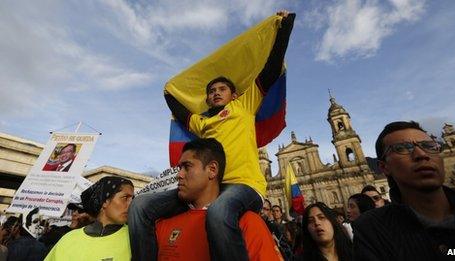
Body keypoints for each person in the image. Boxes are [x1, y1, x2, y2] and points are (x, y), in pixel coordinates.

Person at [129, 10, 295, 261]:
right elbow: (181, 113)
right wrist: (168, 93)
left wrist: (284, 27)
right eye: (211, 91)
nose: (216, 93)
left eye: (222, 89)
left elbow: (270, 70)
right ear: (206, 99)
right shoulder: (203, 123)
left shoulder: (244, 106)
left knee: (218, 213)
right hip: (208, 187)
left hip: (243, 186)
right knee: (140, 206)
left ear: (234, 95)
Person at [155, 138, 283, 260]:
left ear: (212, 170)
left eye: (187, 167)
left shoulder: (248, 223)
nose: (179, 175)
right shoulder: (162, 223)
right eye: (179, 168)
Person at [353, 121, 455, 260]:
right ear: (384, 167)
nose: (421, 154)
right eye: (402, 148)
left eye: (429, 146)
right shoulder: (371, 229)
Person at [45, 176, 134, 261]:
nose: (131, 204)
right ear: (105, 201)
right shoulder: (68, 239)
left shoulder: (137, 237)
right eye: (125, 198)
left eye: (132, 199)